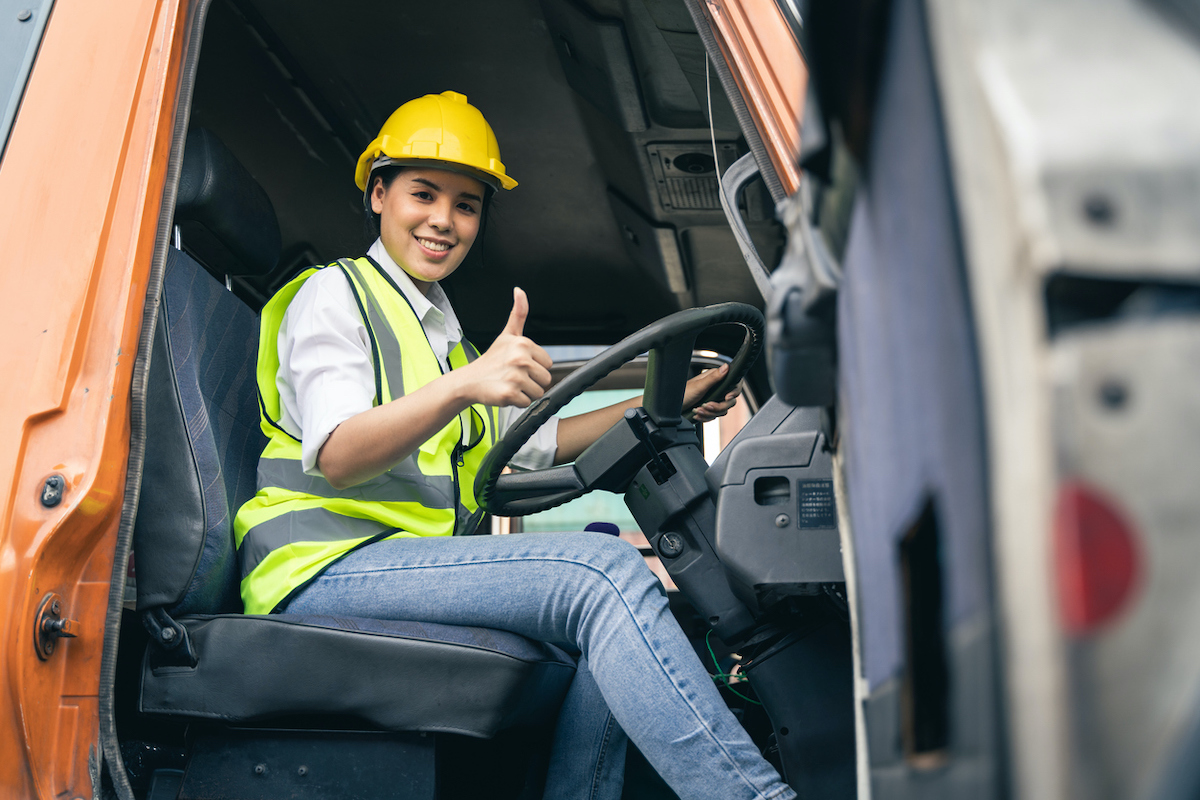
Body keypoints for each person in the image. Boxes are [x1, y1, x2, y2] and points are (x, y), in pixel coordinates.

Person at [233, 91, 797, 800]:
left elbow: (543, 443)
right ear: (379, 194)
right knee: (601, 577)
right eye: (423, 194)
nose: (443, 220)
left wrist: (668, 398)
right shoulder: (335, 295)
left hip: (391, 565)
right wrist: (467, 383)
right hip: (318, 569)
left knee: (621, 622)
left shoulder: (446, 337)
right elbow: (340, 451)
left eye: (466, 205)